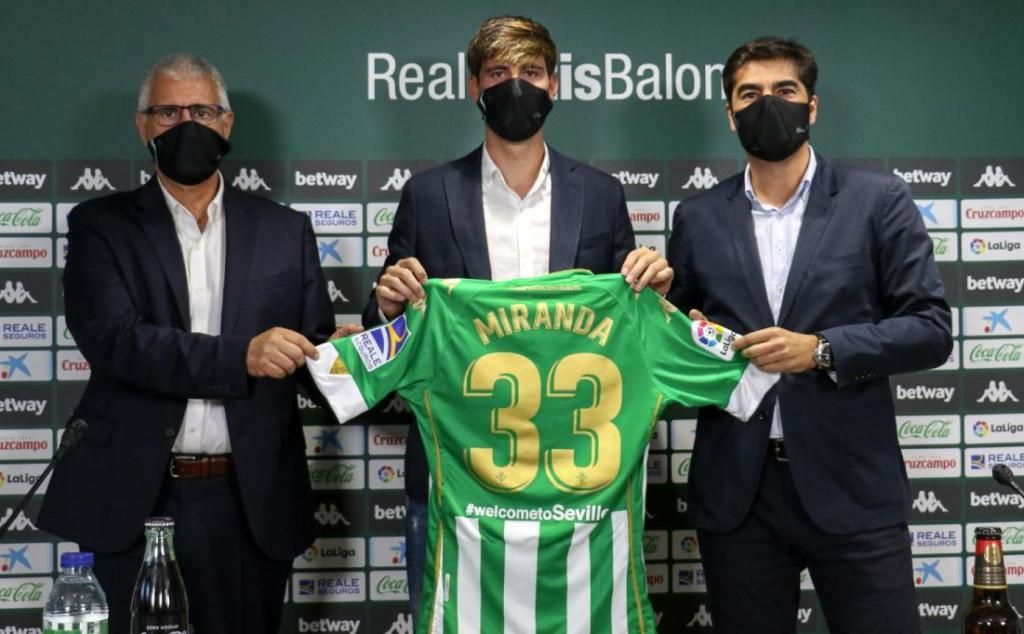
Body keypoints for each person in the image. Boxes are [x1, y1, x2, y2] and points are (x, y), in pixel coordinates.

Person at [363, 15, 673, 625]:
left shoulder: (601, 194)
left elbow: (634, 331)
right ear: (473, 87)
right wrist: (388, 306)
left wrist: (654, 295)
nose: (516, 86)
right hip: (456, 482)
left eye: (531, 72)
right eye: (498, 73)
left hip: (579, 487)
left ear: (555, 85)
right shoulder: (427, 194)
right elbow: (386, 339)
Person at [38, 54, 334, 634]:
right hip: (134, 496)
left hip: (250, 502)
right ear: (142, 126)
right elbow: (116, 341)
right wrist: (243, 355)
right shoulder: (100, 225)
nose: (186, 125)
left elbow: (312, 349)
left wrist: (352, 349)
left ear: (226, 122)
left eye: (201, 111)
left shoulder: (285, 229)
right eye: (168, 113)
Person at [667, 37, 952, 634]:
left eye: (785, 90)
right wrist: (683, 327)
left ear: (812, 106)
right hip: (739, 495)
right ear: (730, 113)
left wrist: (820, 350)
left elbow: (930, 329)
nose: (767, 104)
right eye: (750, 94)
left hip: (853, 485)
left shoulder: (878, 201)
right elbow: (682, 342)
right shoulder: (697, 217)